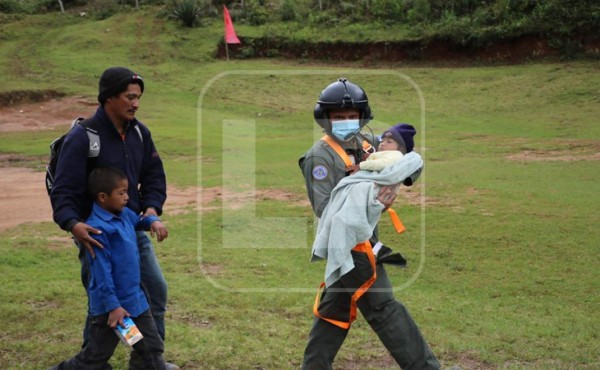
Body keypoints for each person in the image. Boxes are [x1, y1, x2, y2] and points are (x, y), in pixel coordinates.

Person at [298, 78, 440, 369]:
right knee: (384, 308)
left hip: (366, 240)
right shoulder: (318, 157)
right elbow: (326, 209)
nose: (347, 122)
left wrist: (400, 168)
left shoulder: (368, 144)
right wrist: (372, 199)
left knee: (333, 312)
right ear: (325, 119)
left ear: (362, 117)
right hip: (348, 244)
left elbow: (403, 161)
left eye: (352, 116)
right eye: (339, 117)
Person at [50, 67, 179, 369]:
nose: (135, 104)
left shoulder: (138, 133)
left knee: (153, 290)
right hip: (96, 235)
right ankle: (91, 361)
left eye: (138, 98)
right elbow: (63, 189)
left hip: (131, 229)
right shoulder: (83, 138)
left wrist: (151, 208)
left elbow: (153, 175)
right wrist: (74, 224)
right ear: (109, 97)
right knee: (103, 298)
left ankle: (148, 360)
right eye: (129, 97)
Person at [51, 167, 169, 369]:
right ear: (103, 197)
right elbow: (101, 275)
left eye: (127, 191)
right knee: (95, 357)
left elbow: (139, 220)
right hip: (110, 308)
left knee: (152, 348)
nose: (127, 197)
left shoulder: (124, 214)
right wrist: (113, 307)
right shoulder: (96, 230)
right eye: (121, 193)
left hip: (135, 301)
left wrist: (153, 221)